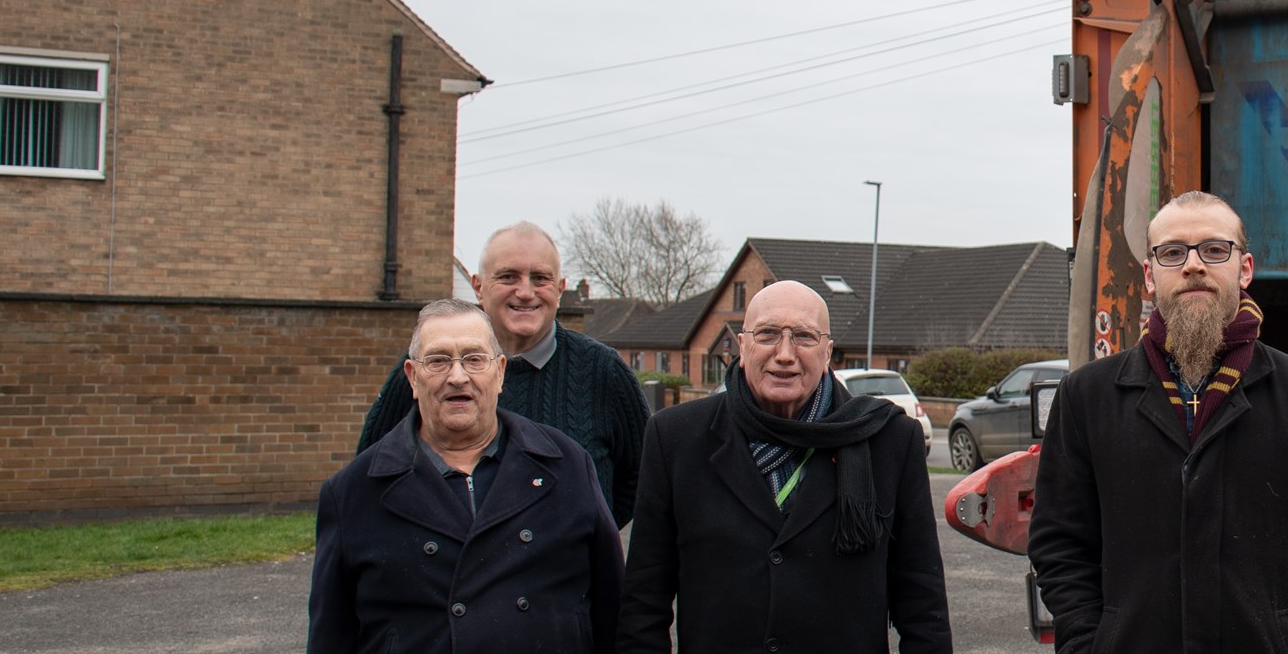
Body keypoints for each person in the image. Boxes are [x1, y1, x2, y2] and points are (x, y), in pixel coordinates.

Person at [1028, 191, 1288, 653]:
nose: (1194, 265)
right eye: (1173, 252)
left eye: (1215, 250)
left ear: (1245, 269)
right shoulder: (1087, 397)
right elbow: (1059, 545)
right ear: (1149, 276)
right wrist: (1090, 644)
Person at [618, 281, 950, 653]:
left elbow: (922, 602)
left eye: (804, 337)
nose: (785, 353)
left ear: (827, 353)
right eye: (768, 334)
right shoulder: (675, 437)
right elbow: (644, 601)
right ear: (742, 347)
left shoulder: (889, 441)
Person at [309, 299, 623, 653]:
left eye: (474, 359)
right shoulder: (353, 491)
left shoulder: (566, 465)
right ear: (413, 377)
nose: (457, 376)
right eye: (439, 360)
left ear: (500, 372)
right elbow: (330, 636)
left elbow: (614, 608)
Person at [358, 222, 647, 526]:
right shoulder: (430, 365)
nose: (525, 292)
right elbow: (371, 471)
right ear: (478, 286)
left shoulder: (604, 370)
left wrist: (579, 540)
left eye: (540, 278)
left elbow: (642, 480)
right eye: (508, 277)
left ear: (560, 289)